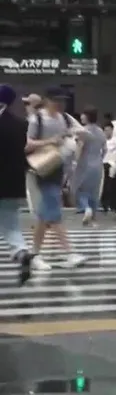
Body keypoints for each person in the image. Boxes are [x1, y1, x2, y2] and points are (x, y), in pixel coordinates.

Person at [25, 87, 87, 272]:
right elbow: (27, 144)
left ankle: (34, 255)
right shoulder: (37, 119)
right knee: (53, 210)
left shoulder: (65, 118)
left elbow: (82, 133)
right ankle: (70, 253)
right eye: (56, 100)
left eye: (62, 100)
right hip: (42, 168)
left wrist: (73, 137)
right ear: (47, 100)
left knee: (45, 214)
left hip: (58, 167)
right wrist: (50, 141)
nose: (60, 104)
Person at [0, 85, 34, 285]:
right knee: (11, 224)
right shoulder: (21, 124)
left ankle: (21, 253)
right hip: (14, 184)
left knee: (8, 223)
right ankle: (22, 253)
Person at [73, 106, 106, 225]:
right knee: (94, 191)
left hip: (84, 163)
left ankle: (85, 208)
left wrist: (74, 162)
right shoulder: (101, 131)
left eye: (83, 114)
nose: (81, 116)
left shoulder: (83, 131)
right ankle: (93, 217)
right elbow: (105, 149)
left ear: (86, 116)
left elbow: (79, 147)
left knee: (80, 189)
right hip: (97, 164)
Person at [100, 123, 116, 213]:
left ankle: (113, 205)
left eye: (109, 130)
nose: (108, 132)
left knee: (111, 186)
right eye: (106, 130)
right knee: (104, 186)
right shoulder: (101, 142)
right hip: (102, 164)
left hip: (112, 165)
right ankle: (105, 205)